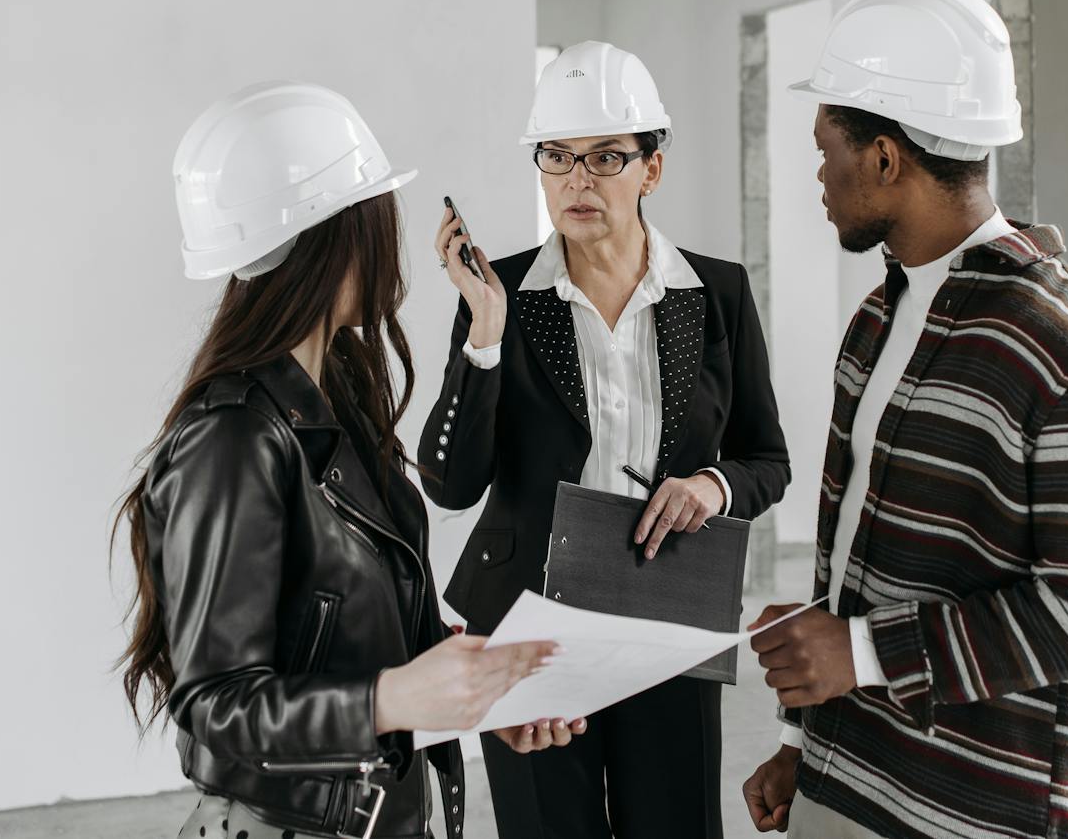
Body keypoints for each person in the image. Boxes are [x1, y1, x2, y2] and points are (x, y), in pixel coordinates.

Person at [742, 0, 1068, 839]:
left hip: (977, 813)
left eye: (827, 150)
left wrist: (862, 653)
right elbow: (848, 554)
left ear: (886, 158)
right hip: (845, 779)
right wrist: (803, 739)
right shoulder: (875, 322)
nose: (818, 176)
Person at [115, 81, 581, 839]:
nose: (391, 239)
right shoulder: (233, 438)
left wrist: (478, 691)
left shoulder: (334, 400)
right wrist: (390, 701)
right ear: (333, 235)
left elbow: (355, 637)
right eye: (376, 216)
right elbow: (216, 702)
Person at [418, 41, 792, 839]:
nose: (577, 180)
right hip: (529, 618)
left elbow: (769, 459)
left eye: (605, 157)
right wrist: (485, 334)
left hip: (670, 615)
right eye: (556, 157)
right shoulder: (501, 294)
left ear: (651, 169)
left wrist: (712, 488)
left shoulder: (715, 293)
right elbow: (449, 484)